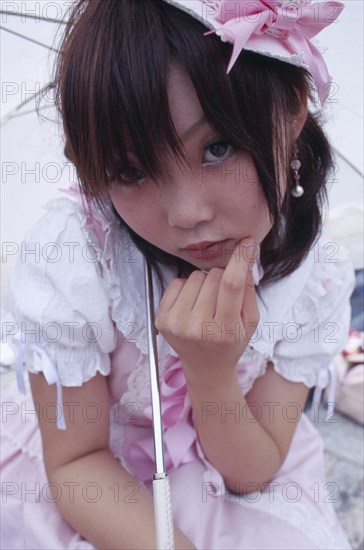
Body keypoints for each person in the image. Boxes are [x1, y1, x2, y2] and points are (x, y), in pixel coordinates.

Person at [1, 0, 355, 548]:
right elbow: (76, 462)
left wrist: (210, 370)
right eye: (132, 170)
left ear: (292, 108)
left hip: (234, 471)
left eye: (218, 147)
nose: (186, 214)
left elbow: (251, 472)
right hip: (96, 484)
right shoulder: (77, 258)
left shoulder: (315, 280)